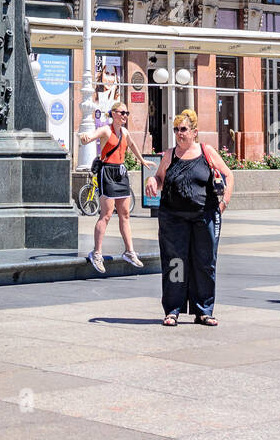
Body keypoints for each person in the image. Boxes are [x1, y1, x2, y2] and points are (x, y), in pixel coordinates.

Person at [144, 108, 234, 326]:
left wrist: (224, 203)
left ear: (194, 131)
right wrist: (152, 181)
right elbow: (159, 178)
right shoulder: (169, 154)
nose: (179, 133)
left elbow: (228, 175)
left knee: (204, 263)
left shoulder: (207, 151)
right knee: (175, 263)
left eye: (183, 129)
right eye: (176, 129)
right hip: (173, 217)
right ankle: (173, 309)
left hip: (205, 216)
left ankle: (203, 310)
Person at [79, 102, 155, 273]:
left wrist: (141, 160)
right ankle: (96, 253)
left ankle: (129, 252)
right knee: (106, 214)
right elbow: (92, 136)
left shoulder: (125, 132)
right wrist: (86, 138)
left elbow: (133, 145)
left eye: (126, 113)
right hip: (107, 173)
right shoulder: (106, 130)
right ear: (113, 113)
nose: (125, 115)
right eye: (122, 112)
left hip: (121, 173)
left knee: (125, 214)